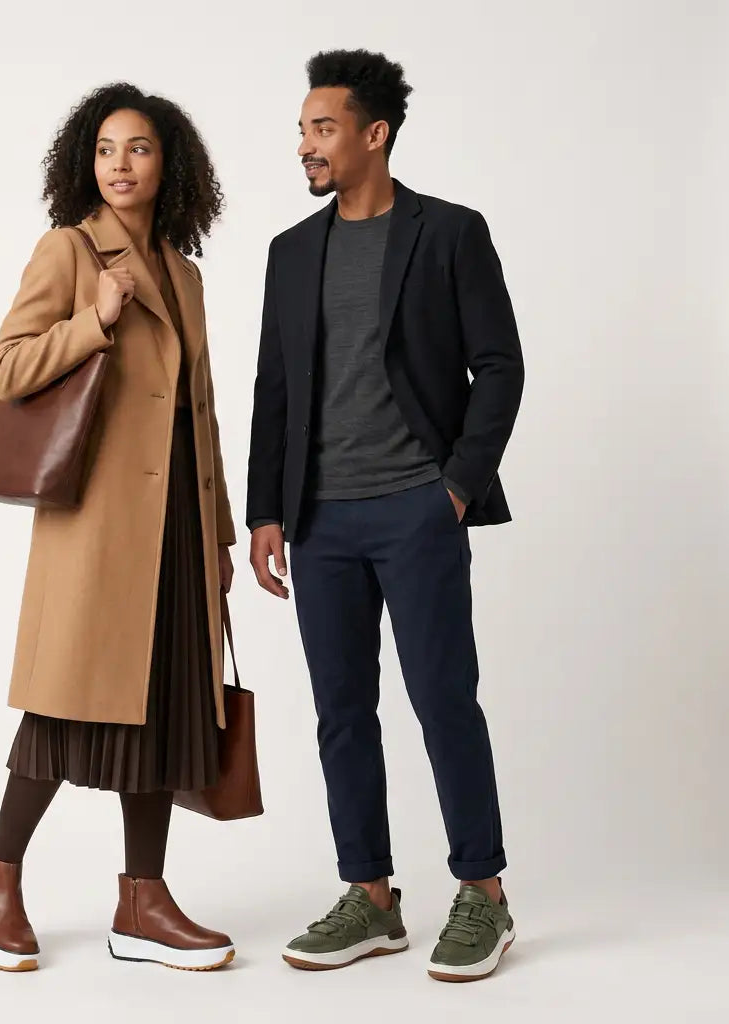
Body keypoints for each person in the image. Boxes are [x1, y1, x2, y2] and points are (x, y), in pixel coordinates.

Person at [247, 49, 524, 980]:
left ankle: (484, 894)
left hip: (416, 508)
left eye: (323, 128)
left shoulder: (449, 233)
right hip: (320, 520)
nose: (306, 145)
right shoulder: (291, 251)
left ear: (376, 134)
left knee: (443, 700)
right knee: (340, 712)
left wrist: (456, 486)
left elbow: (501, 365)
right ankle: (370, 897)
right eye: (302, 130)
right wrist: (266, 510)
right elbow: (274, 387)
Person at [0, 83, 238, 973]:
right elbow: (7, 367)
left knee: (163, 706)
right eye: (107, 149)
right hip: (98, 524)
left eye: (140, 148)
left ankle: (142, 901)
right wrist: (94, 320)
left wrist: (220, 534)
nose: (121, 165)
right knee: (63, 706)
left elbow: (200, 411)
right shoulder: (69, 250)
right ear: (87, 161)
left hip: (178, 521)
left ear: (169, 165)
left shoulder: (185, 274)